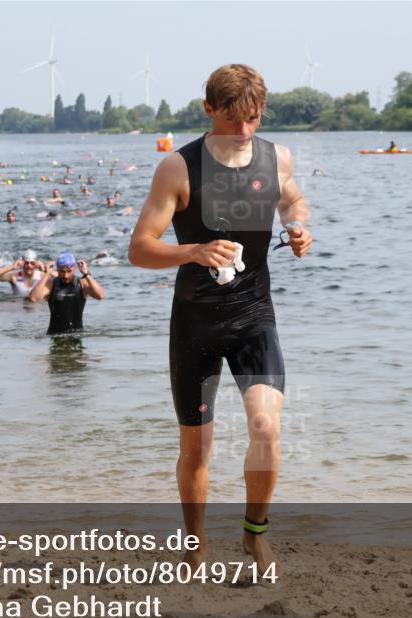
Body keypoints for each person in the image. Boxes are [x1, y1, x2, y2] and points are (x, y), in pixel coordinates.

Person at [128, 63, 312, 575]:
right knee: (197, 449)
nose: (244, 130)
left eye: (253, 118)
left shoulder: (277, 158)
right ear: (208, 109)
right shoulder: (178, 168)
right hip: (196, 323)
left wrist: (298, 227)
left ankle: (255, 535)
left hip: (254, 315)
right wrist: (193, 251)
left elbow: (293, 199)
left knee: (265, 427)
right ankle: (195, 541)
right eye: (233, 119)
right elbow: (139, 249)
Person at [29, 252, 105, 333]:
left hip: (77, 334)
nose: (66, 275)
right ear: (57, 269)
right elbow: (33, 298)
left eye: (69, 271)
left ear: (74, 269)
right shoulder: (51, 284)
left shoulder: (82, 283)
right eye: (62, 271)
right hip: (55, 334)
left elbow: (100, 295)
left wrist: (86, 273)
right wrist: (47, 274)